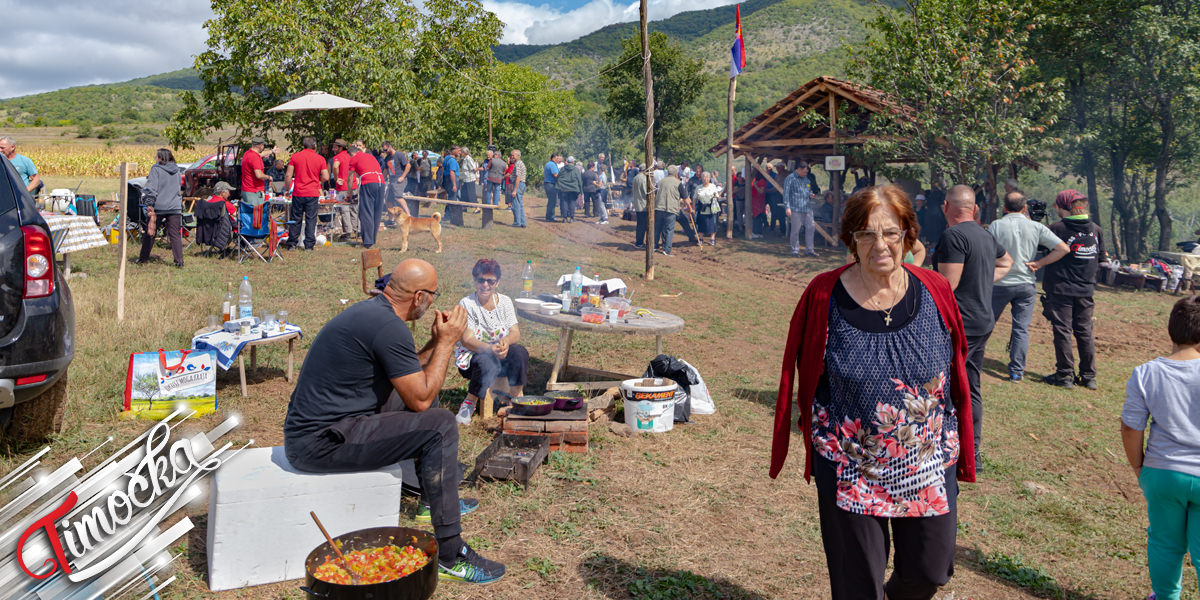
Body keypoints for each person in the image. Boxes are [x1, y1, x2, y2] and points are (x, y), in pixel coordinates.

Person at [771, 184, 975, 600]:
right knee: (858, 586)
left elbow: (957, 366)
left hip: (926, 458)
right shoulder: (824, 294)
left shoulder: (935, 290)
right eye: (866, 234)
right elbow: (806, 371)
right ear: (850, 239)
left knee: (930, 570)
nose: (879, 244)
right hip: (851, 461)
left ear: (907, 236)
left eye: (891, 233)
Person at [284, 259, 506, 585]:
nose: (432, 301)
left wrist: (434, 344)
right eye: (432, 294)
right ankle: (450, 554)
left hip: (324, 428)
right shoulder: (390, 327)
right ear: (419, 298)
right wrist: (447, 342)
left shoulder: (376, 313)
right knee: (441, 425)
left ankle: (432, 501)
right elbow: (422, 399)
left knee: (412, 403)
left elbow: (409, 376)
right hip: (318, 443)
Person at [1120, 295, 1200, 600]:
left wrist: (1139, 465)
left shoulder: (1146, 373)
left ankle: (1166, 597)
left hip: (1163, 472)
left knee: (1165, 542)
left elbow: (1131, 426)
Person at [932, 185, 1013, 466]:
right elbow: (1007, 263)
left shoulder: (953, 236)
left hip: (960, 324)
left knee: (951, 386)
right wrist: (979, 279)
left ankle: (955, 449)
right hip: (982, 320)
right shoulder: (985, 235)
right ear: (975, 209)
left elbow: (947, 286)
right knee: (971, 384)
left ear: (945, 207)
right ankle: (972, 451)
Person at [988, 191, 1069, 381]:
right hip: (1025, 284)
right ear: (1025, 208)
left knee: (986, 323)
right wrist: (1039, 264)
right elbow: (1063, 248)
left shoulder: (996, 225)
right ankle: (1017, 371)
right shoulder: (1036, 226)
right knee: (1021, 329)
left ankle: (970, 358)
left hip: (1000, 282)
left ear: (1005, 208)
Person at [1042, 189, 1107, 390]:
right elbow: (1102, 259)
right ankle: (1088, 377)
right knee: (1085, 332)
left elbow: (1043, 252)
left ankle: (1065, 375)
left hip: (1060, 289)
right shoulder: (1095, 229)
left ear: (1062, 207)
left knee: (1062, 331)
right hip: (1086, 290)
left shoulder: (1056, 228)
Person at [452, 260, 529, 425]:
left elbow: (515, 332)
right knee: (485, 359)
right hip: (474, 358)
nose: (485, 285)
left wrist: (506, 342)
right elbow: (467, 340)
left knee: (520, 352)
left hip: (500, 355)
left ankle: (515, 398)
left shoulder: (505, 302)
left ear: (497, 282)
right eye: (481, 280)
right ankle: (469, 402)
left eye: (490, 281)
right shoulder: (467, 304)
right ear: (474, 280)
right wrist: (489, 349)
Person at [137, 149, 185, 267]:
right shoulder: (177, 170)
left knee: (150, 232)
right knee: (175, 234)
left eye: (156, 156)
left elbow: (152, 188)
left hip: (159, 206)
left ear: (160, 158)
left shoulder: (156, 169)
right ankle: (179, 261)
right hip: (175, 207)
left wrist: (149, 204)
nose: (155, 158)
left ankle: (143, 258)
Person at [284, 136, 330, 250]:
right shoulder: (320, 159)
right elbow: (326, 176)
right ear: (315, 146)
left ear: (303, 145)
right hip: (312, 192)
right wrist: (317, 180)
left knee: (296, 218)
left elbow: (288, 175)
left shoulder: (295, 156)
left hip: (298, 192)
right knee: (311, 219)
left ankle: (292, 243)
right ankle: (309, 245)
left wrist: (287, 189)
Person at [348, 144, 386, 249]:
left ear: (351, 154)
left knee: (366, 212)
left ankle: (367, 242)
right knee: (376, 211)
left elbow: (351, 178)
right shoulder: (370, 156)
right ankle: (372, 239)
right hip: (381, 182)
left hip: (368, 182)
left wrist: (350, 193)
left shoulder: (354, 159)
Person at [784, 161, 818, 257]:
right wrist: (787, 207)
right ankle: (795, 250)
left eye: (806, 172)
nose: (805, 174)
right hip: (795, 208)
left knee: (811, 228)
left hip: (807, 208)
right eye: (804, 172)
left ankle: (810, 250)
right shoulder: (790, 178)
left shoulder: (806, 179)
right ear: (798, 169)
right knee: (795, 230)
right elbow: (786, 193)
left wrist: (810, 194)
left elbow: (808, 189)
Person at [330, 139, 359, 237]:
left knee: (345, 210)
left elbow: (335, 166)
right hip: (353, 186)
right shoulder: (351, 155)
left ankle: (348, 232)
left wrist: (336, 178)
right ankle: (357, 229)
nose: (333, 149)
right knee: (354, 209)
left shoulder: (338, 157)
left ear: (340, 147)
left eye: (335, 147)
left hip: (343, 188)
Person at [655, 166, 683, 256]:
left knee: (657, 228)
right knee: (669, 230)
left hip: (659, 208)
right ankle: (666, 250)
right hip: (671, 209)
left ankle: (654, 246)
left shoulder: (660, 182)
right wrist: (690, 209)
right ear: (676, 173)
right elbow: (685, 197)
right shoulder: (678, 183)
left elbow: (654, 194)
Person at [241, 137, 272, 206]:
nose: (263, 147)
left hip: (247, 189)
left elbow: (261, 154)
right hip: (253, 191)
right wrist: (268, 177)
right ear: (260, 146)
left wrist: (272, 151)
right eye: (263, 145)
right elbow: (259, 175)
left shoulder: (248, 153)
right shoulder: (254, 157)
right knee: (256, 213)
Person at [692, 172, 721, 246]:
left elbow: (717, 196)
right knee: (701, 223)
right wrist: (693, 208)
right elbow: (694, 198)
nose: (705, 179)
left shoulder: (713, 186)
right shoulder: (698, 187)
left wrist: (715, 198)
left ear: (709, 178)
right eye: (704, 177)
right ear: (701, 178)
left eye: (707, 177)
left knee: (712, 223)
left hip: (711, 208)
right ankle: (701, 238)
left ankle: (712, 239)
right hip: (702, 208)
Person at [382, 142, 410, 212]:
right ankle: (390, 220)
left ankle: (408, 215)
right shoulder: (387, 158)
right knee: (388, 200)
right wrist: (382, 179)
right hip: (392, 181)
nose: (385, 152)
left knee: (398, 197)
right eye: (384, 151)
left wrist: (403, 177)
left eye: (386, 150)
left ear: (390, 147)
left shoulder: (399, 155)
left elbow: (408, 165)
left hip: (399, 181)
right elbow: (386, 170)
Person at [556, 156, 582, 223]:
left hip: (564, 189)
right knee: (572, 203)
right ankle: (572, 218)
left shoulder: (562, 169)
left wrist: (559, 186)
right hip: (573, 189)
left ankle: (564, 218)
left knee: (564, 203)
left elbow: (558, 177)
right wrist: (581, 191)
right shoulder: (576, 170)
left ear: (568, 161)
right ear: (573, 162)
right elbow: (579, 180)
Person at [441, 147, 462, 224]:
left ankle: (447, 215)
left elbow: (442, 169)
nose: (460, 152)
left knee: (450, 197)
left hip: (447, 179)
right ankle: (449, 216)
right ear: (453, 151)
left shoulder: (446, 158)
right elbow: (452, 172)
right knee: (452, 198)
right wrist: (454, 185)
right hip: (452, 180)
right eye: (459, 150)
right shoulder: (452, 161)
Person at [631, 164, 649, 249]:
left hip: (638, 204)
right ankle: (639, 243)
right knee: (642, 225)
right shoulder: (643, 179)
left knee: (640, 225)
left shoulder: (635, 177)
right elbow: (646, 192)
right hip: (643, 205)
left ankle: (639, 242)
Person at [508, 150, 527, 228]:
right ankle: (522, 222)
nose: (512, 157)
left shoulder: (518, 164)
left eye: (513, 155)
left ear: (518, 156)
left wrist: (515, 190)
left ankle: (517, 223)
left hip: (519, 185)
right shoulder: (519, 163)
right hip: (521, 184)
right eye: (511, 155)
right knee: (520, 204)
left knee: (516, 204)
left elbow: (518, 177)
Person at [543, 153, 561, 222]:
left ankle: (550, 216)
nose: (558, 160)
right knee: (552, 201)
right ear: (553, 158)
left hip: (549, 184)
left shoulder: (549, 164)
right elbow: (556, 175)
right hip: (551, 184)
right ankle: (550, 217)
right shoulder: (552, 165)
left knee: (552, 201)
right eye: (557, 158)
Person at [751, 171, 767, 239]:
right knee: (756, 217)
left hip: (759, 201)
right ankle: (758, 232)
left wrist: (755, 185)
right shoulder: (756, 180)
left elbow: (761, 191)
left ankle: (757, 233)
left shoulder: (762, 181)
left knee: (758, 217)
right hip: (755, 201)